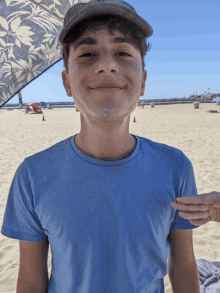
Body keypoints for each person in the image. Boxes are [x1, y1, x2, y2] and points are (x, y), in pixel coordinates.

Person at [1, 1, 204, 292]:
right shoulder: (32, 176)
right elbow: (31, 279)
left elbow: (184, 265)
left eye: (122, 53)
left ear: (143, 81)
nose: (106, 65)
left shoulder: (175, 167)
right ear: (67, 82)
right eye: (87, 54)